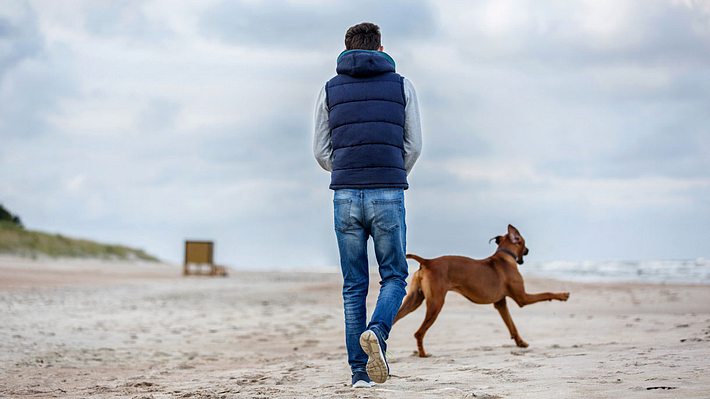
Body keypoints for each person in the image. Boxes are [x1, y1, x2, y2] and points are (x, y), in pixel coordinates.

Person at [312, 22, 422, 388]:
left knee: (353, 285)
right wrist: (391, 171)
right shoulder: (402, 85)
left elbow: (320, 150)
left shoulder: (329, 89)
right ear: (380, 48)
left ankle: (359, 374)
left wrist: (344, 170)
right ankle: (377, 331)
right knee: (394, 276)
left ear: (347, 48)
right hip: (389, 191)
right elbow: (414, 144)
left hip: (345, 194)